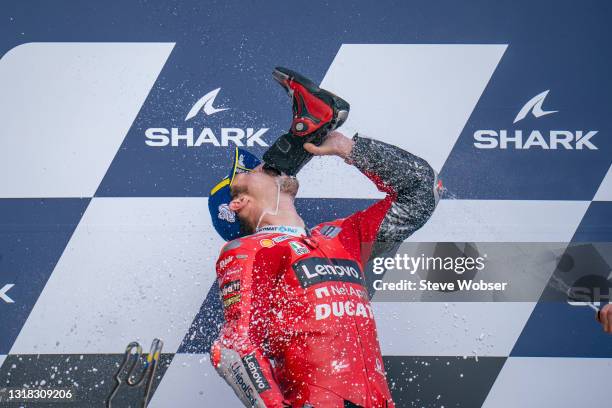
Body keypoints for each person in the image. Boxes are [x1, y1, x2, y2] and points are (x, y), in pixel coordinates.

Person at [208, 69, 440, 407]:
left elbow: (422, 192)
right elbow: (233, 346)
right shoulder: (250, 249)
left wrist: (349, 148)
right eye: (255, 171)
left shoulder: (341, 237)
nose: (266, 167)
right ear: (238, 203)